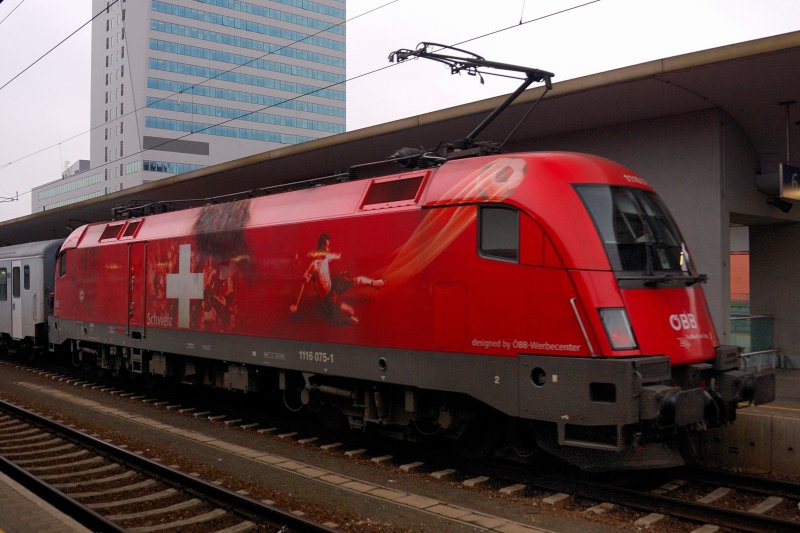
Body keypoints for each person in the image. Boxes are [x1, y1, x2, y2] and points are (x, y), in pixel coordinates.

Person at [289, 233, 383, 324]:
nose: (328, 248)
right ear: (322, 246)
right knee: (350, 310)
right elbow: (302, 285)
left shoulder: (327, 257)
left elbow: (338, 256)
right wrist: (296, 305)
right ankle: (349, 317)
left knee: (352, 279)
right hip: (328, 297)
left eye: (328, 246)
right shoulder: (314, 265)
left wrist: (341, 255)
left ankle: (374, 283)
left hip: (333, 285)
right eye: (327, 246)